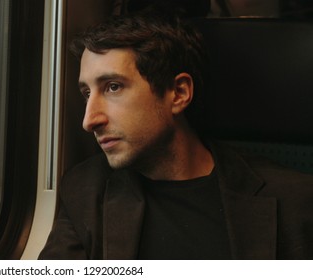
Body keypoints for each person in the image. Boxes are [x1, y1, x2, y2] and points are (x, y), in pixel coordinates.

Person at [38, 8, 313, 259]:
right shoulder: (86, 190)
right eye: (86, 93)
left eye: (112, 87)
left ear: (178, 94)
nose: (89, 120)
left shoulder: (294, 200)